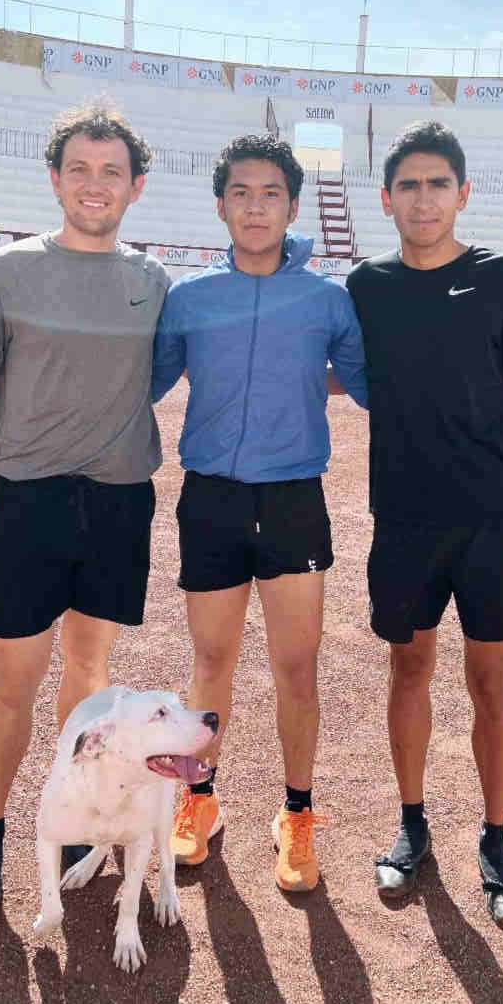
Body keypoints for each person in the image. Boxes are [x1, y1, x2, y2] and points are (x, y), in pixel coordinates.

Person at [0, 102, 169, 918]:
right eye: (79, 169)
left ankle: (72, 815)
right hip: (29, 504)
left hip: (117, 504)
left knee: (90, 672)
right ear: (54, 179)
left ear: (136, 187)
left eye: (111, 171)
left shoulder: (153, 283)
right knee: (14, 681)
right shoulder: (5, 273)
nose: (94, 184)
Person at [344, 120, 503, 925]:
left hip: (491, 523)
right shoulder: (365, 286)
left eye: (438, 183)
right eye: (408, 185)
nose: (424, 198)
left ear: (462, 193)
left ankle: (496, 843)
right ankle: (412, 825)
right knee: (408, 670)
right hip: (403, 522)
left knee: (490, 680)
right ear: (386, 199)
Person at [151, 134, 368, 892]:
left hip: (292, 501)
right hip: (211, 498)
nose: (254, 207)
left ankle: (296, 813)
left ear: (292, 206)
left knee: (296, 666)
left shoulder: (327, 299)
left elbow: (374, 384)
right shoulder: (188, 298)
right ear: (220, 206)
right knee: (211, 662)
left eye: (270, 193)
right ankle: (200, 800)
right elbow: (141, 384)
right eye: (240, 193)